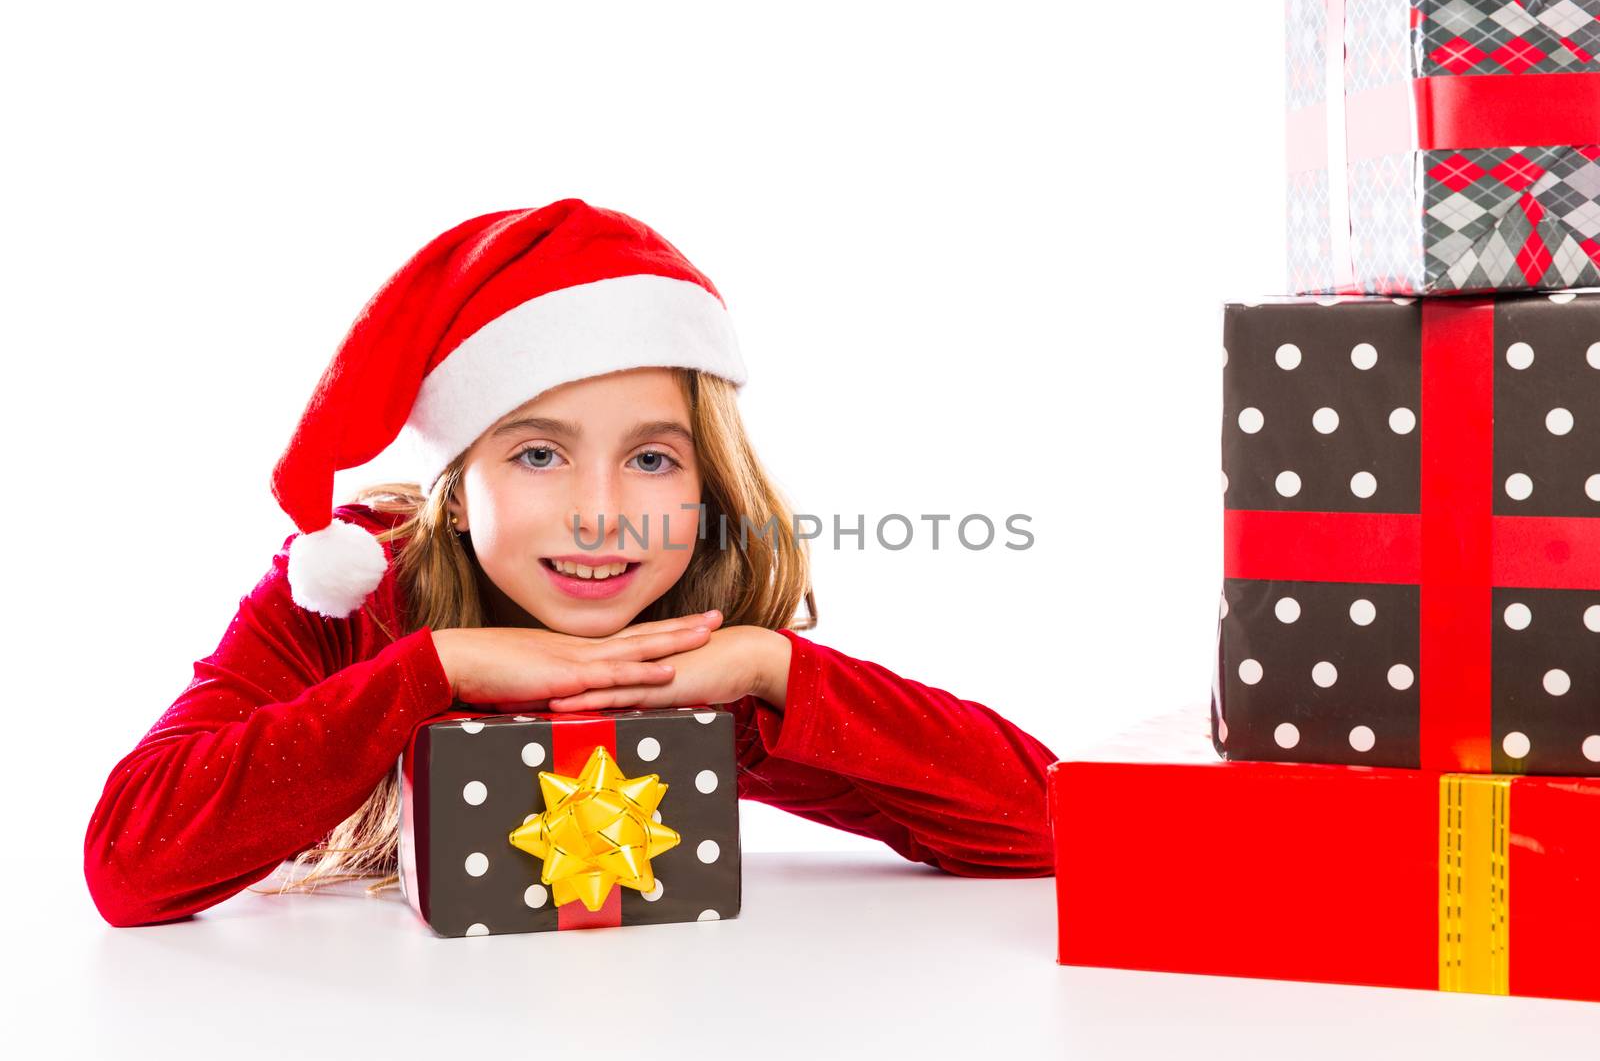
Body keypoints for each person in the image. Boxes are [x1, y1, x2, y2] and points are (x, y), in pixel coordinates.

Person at [82, 199, 1061, 928]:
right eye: (539, 453)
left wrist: (775, 671)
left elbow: (1058, 825)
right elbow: (128, 861)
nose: (601, 514)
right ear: (458, 491)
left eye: (650, 457)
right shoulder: (354, 593)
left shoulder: (689, 644)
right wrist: (435, 670)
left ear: (704, 489)